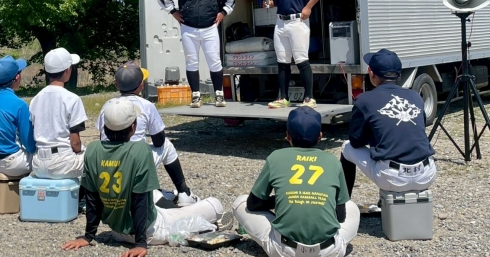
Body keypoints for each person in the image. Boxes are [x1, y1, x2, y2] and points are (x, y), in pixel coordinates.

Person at [63, 98, 229, 256]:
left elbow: (92, 197)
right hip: (149, 231)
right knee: (214, 205)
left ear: (104, 127)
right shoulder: (140, 150)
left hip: (116, 231)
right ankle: (195, 209)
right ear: (133, 127)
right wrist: (140, 243)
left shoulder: (93, 149)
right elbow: (139, 199)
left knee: (154, 193)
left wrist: (88, 236)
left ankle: (177, 204)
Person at [233, 107, 359, 257]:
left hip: (284, 251)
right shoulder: (332, 161)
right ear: (320, 136)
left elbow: (253, 204)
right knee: (351, 206)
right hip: (328, 251)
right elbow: (341, 216)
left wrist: (280, 200)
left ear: (287, 135)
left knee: (240, 202)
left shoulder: (276, 157)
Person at [96, 62, 199, 206]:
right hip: (135, 162)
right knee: (166, 145)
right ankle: (184, 192)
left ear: (116, 85)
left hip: (109, 162)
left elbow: (102, 137)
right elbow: (159, 141)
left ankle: (158, 191)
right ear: (141, 85)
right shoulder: (146, 105)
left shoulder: (108, 105)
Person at [340, 49, 436, 197]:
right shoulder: (415, 96)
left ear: (371, 73)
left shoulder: (364, 100)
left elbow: (355, 141)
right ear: (399, 75)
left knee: (347, 147)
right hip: (426, 174)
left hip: (393, 178)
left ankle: (343, 204)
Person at [158, 0, 235, 108]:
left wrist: (223, 13)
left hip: (210, 27)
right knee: (191, 62)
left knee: (214, 61)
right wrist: (173, 12)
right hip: (188, 28)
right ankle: (196, 96)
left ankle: (219, 95)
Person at [264, 0, 325, 109]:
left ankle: (309, 98)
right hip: (280, 22)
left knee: (301, 59)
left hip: (297, 21)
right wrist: (271, 3)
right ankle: (283, 97)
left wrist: (308, 6)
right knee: (282, 61)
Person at [29, 48, 87, 179]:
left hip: (38, 164)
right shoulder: (72, 99)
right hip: (62, 162)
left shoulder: (35, 99)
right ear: (68, 70)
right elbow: (75, 142)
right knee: (92, 157)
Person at [0, 55, 36, 176]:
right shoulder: (20, 104)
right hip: (12, 162)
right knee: (44, 158)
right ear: (17, 77)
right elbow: (30, 145)